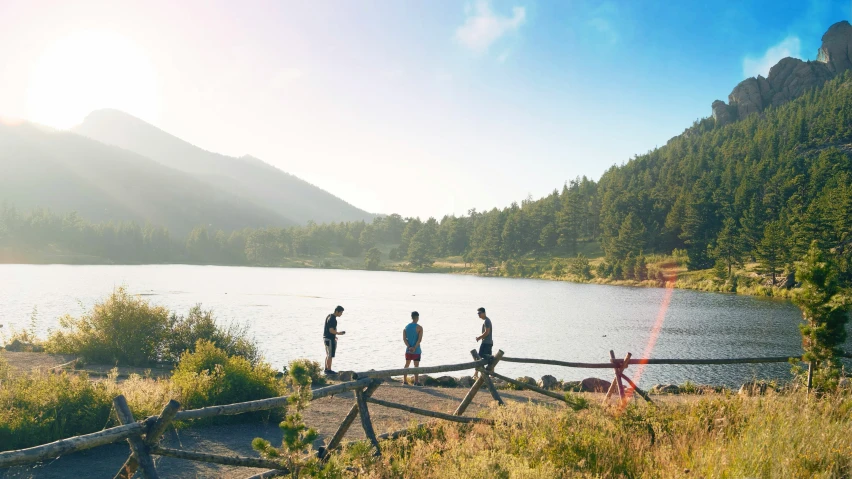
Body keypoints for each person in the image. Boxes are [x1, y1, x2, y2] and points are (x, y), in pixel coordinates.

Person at [403, 311, 423, 385]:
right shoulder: (419, 328)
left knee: (407, 365)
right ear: (417, 317)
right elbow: (419, 340)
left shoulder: (406, 327)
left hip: (408, 350)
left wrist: (409, 347)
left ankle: (405, 381)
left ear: (411, 317)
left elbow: (404, 339)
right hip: (416, 350)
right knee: (416, 366)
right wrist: (414, 347)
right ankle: (416, 381)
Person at [323, 305, 346, 375]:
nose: (341, 314)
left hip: (326, 338)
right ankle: (329, 370)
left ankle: (326, 369)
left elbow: (329, 329)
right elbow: (331, 330)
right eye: (341, 312)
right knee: (330, 355)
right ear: (337, 311)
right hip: (329, 339)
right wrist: (339, 333)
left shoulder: (329, 316)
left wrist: (334, 336)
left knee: (328, 354)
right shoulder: (332, 319)